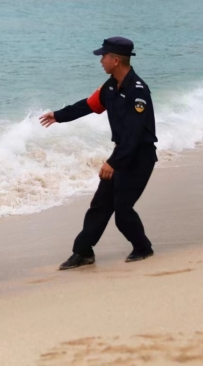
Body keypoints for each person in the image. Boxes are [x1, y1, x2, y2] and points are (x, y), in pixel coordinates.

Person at [39, 37, 157, 270]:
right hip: (121, 154)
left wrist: (113, 163)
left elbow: (134, 136)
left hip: (139, 158)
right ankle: (83, 252)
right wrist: (59, 115)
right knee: (100, 206)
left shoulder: (138, 91)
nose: (100, 61)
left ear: (115, 60)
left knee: (122, 211)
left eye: (103, 56)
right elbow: (88, 105)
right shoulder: (110, 86)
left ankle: (143, 248)